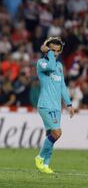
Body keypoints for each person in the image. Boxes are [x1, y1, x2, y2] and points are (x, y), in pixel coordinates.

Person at [35, 37, 74, 174]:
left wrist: (68, 104)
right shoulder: (41, 63)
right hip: (45, 105)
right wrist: (49, 53)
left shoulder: (59, 66)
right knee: (57, 133)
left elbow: (62, 85)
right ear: (47, 49)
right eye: (52, 50)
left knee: (51, 137)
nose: (55, 53)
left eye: (57, 51)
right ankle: (39, 157)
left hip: (57, 107)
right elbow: (50, 66)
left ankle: (46, 165)